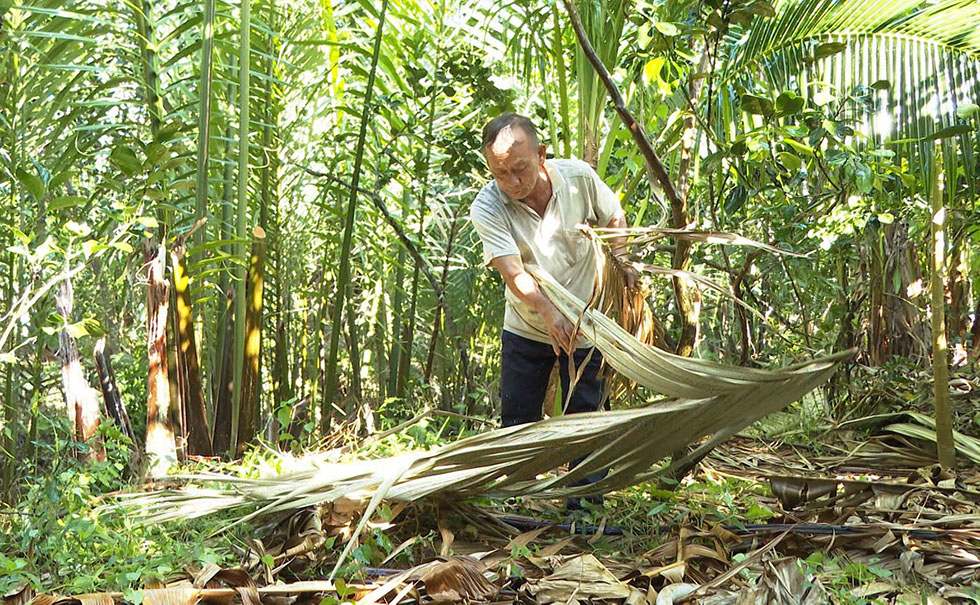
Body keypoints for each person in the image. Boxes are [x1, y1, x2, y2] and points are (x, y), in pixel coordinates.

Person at [469, 113, 635, 507]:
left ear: (542, 155)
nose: (512, 183)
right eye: (500, 173)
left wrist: (624, 261)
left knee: (587, 421)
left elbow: (614, 217)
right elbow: (513, 273)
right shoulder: (488, 206)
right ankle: (518, 506)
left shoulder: (577, 178)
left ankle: (587, 509)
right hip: (527, 327)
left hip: (585, 323)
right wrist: (547, 311)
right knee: (517, 425)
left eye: (520, 169)